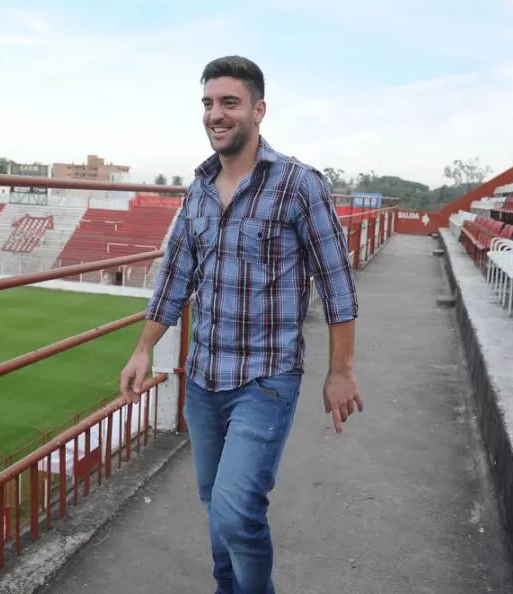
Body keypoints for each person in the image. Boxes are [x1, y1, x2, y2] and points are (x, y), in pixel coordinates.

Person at [119, 55, 362, 594]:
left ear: (259, 110)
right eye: (208, 103)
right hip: (204, 378)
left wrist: (340, 370)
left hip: (265, 379)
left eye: (229, 102)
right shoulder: (199, 187)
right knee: (215, 502)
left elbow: (337, 286)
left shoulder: (299, 185)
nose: (215, 114)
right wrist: (142, 350)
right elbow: (176, 274)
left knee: (235, 510)